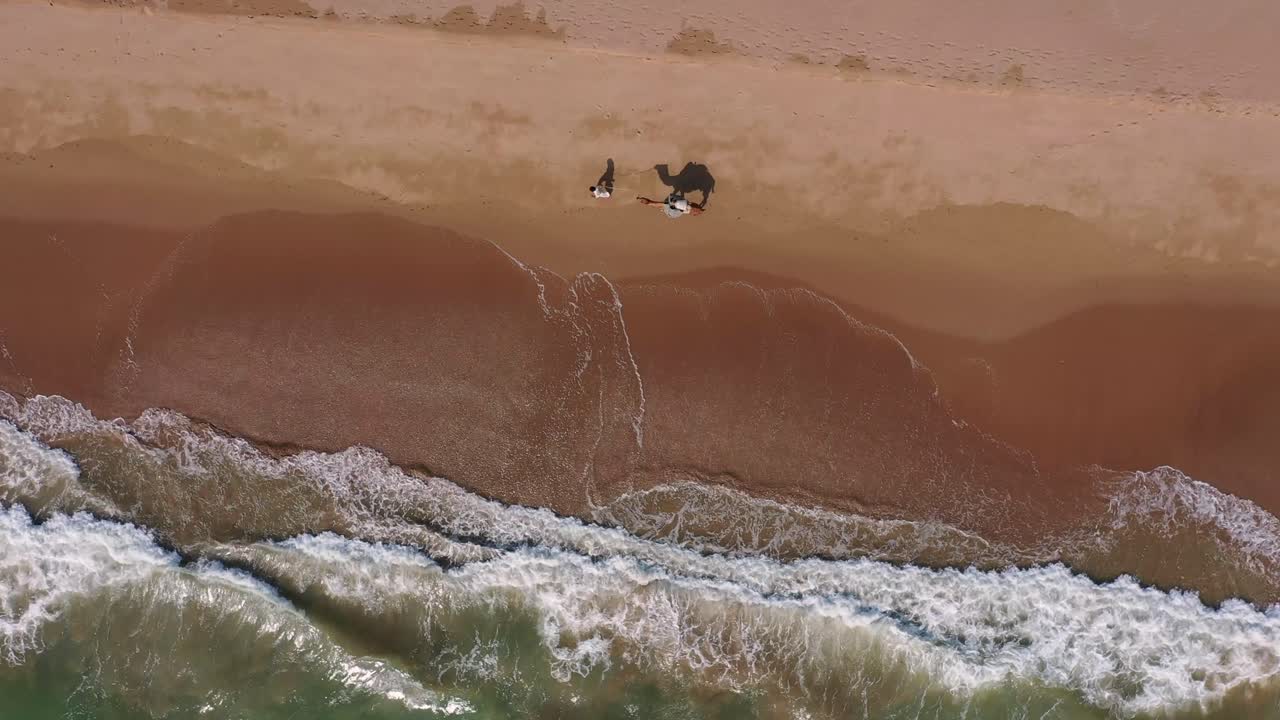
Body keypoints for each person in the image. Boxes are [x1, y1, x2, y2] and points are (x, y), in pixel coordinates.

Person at [637, 193, 705, 218]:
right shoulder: (686, 208)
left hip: (671, 209)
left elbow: (692, 210)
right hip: (672, 209)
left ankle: (643, 200)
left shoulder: (686, 206)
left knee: (656, 204)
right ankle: (643, 200)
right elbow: (692, 211)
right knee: (656, 204)